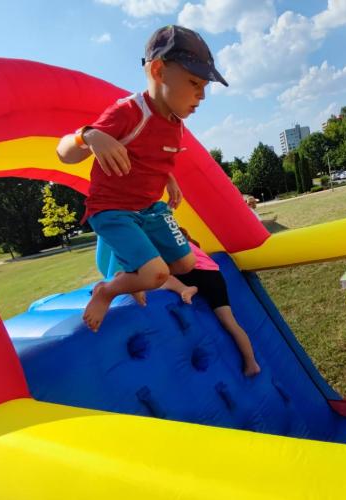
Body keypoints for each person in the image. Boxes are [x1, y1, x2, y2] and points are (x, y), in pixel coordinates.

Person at [55, 25, 228, 332]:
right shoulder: (129, 112)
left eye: (205, 86)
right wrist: (89, 136)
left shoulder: (175, 121)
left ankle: (131, 276)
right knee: (156, 275)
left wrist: (168, 179)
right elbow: (63, 153)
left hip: (149, 208)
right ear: (159, 71)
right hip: (113, 210)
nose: (201, 95)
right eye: (194, 83)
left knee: (186, 265)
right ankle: (106, 291)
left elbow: (157, 156)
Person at [161, 228, 261, 376]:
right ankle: (252, 363)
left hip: (197, 276)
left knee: (159, 277)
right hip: (215, 276)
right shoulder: (189, 244)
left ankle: (185, 289)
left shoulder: (171, 246)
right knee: (230, 322)